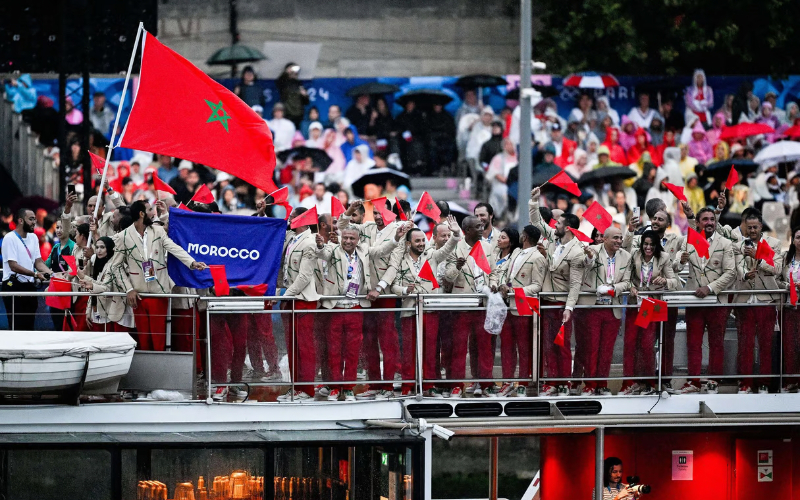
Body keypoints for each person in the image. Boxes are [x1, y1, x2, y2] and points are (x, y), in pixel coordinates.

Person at [314, 224, 405, 401]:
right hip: (335, 307)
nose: (348, 241)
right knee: (334, 351)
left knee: (352, 351)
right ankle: (334, 387)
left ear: (358, 240)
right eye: (345, 238)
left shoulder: (363, 249)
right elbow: (323, 253)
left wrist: (395, 238)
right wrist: (319, 245)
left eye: (352, 238)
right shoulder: (333, 249)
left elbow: (381, 251)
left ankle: (347, 388)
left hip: (356, 307)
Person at [107, 200, 207, 350]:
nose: (152, 213)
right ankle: (148, 371)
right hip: (138, 294)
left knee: (159, 336)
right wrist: (128, 289)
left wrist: (192, 263)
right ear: (141, 214)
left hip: (159, 293)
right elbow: (116, 267)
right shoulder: (124, 236)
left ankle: (159, 368)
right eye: (148, 211)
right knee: (144, 337)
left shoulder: (157, 231)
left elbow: (174, 248)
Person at [337, 200, 403, 399]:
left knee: (387, 340)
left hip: (385, 293)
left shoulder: (398, 230)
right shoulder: (367, 227)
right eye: (374, 213)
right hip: (365, 293)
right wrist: (348, 210)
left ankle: (388, 387)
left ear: (390, 212)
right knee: (369, 341)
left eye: (381, 212)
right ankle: (374, 385)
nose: (377, 216)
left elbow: (394, 265)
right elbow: (341, 227)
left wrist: (381, 288)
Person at [391, 218, 461, 397]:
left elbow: (448, 248)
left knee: (430, 350)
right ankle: (408, 386)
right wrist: (405, 289)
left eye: (423, 240)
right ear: (408, 243)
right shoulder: (400, 259)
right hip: (409, 310)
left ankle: (428, 386)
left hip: (430, 310)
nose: (422, 244)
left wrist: (455, 234)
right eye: (417, 241)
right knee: (409, 351)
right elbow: (393, 286)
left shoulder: (432, 256)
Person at [529, 188, 585, 396]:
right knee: (548, 344)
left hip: (561, 303)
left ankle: (564, 383)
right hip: (546, 301)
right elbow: (537, 222)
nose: (555, 226)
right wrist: (534, 200)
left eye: (559, 223)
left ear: (567, 228)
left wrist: (569, 307)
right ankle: (552, 381)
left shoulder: (577, 251)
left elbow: (575, 283)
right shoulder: (553, 239)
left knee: (561, 344)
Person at [677, 206, 736, 394]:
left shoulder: (725, 243)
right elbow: (675, 267)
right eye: (705, 219)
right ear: (698, 222)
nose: (709, 222)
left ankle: (713, 381)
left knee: (716, 342)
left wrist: (709, 289)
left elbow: (731, 273)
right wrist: (681, 261)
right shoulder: (688, 241)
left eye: (712, 219)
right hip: (695, 301)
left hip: (716, 301)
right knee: (693, 343)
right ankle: (693, 381)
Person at [489, 225, 545, 398]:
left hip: (524, 306)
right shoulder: (516, 253)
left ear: (525, 236)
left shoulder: (537, 257)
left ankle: (522, 383)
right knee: (506, 346)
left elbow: (537, 285)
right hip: (507, 305)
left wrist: (514, 291)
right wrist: (501, 286)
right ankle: (507, 382)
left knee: (524, 347)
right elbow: (506, 275)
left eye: (522, 234)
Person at [443, 216, 496, 398]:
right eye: (477, 227)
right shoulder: (455, 247)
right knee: (459, 348)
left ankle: (487, 384)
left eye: (482, 225)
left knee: (484, 348)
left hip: (483, 305)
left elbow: (494, 273)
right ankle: (457, 386)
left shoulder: (488, 247)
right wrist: (457, 267)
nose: (482, 229)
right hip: (462, 306)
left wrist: (494, 285)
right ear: (466, 230)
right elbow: (447, 278)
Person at [621, 230, 679, 395]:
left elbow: (674, 281)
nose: (648, 247)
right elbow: (626, 278)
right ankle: (629, 382)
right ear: (641, 244)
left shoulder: (664, 257)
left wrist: (665, 281)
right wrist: (630, 286)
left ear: (656, 245)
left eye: (652, 245)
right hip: (635, 303)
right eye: (645, 244)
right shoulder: (634, 255)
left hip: (652, 305)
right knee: (630, 343)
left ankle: (647, 382)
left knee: (647, 345)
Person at [578, 227, 632, 395]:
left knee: (606, 350)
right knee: (591, 348)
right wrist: (588, 256)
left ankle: (602, 384)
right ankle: (589, 385)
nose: (618, 241)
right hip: (594, 307)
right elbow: (587, 264)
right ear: (605, 239)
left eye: (620, 238)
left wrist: (613, 288)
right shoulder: (593, 250)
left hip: (613, 307)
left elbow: (628, 282)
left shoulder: (626, 256)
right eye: (615, 238)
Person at [732, 212, 781, 394]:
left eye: (755, 227)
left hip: (766, 299)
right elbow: (736, 267)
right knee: (745, 344)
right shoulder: (738, 246)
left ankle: (764, 383)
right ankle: (745, 383)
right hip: (744, 299)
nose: (752, 230)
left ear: (761, 226)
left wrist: (758, 258)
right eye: (749, 227)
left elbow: (776, 269)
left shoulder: (773, 244)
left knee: (765, 344)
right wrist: (745, 274)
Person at [277, 207, 321, 401]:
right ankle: (296, 386)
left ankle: (308, 389)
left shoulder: (310, 242)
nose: (289, 219)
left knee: (304, 347)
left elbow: (304, 276)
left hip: (302, 300)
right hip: (291, 298)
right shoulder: (291, 238)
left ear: (302, 220)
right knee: (292, 346)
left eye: (293, 217)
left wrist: (286, 295)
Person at [1, 208, 50, 330]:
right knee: (16, 325)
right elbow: (13, 265)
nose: (34, 222)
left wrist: (51, 273)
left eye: (34, 218)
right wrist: (35, 274)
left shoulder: (33, 238)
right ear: (21, 220)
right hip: (13, 286)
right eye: (31, 219)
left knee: (29, 325)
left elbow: (38, 261)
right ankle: (15, 349)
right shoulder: (9, 238)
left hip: (29, 286)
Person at [78, 236, 134, 332]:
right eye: (97, 247)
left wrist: (86, 280)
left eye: (102, 247)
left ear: (109, 248)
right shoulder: (95, 262)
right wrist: (89, 311)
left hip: (111, 311)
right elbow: (96, 286)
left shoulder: (113, 265)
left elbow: (105, 287)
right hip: (97, 310)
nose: (99, 250)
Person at [781, 227, 800, 394]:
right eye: (798, 237)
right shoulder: (786, 259)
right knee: (790, 345)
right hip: (789, 307)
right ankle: (791, 380)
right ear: (793, 240)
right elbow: (778, 280)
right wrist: (789, 286)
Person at [275, 63, 309, 128]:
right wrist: (286, 72)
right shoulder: (284, 84)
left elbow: (306, 102)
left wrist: (305, 96)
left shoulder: (300, 85)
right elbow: (278, 83)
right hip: (288, 114)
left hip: (299, 115)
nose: (294, 74)